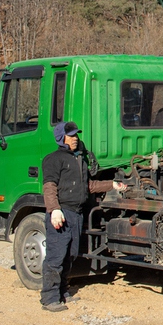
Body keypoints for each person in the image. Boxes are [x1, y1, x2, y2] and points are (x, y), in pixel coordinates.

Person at [40, 121, 127, 312]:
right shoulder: (53, 159)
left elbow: (89, 186)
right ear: (61, 138)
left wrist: (112, 185)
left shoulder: (79, 160)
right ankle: (49, 298)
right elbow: (49, 186)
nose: (75, 138)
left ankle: (62, 291)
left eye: (76, 135)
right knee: (56, 255)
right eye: (71, 136)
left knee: (70, 254)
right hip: (61, 213)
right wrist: (54, 209)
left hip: (76, 214)